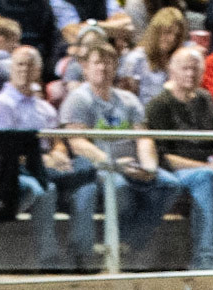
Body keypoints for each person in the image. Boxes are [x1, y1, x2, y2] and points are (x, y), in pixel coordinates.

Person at [60, 41, 182, 267]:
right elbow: (77, 143)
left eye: (108, 63)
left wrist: (149, 167)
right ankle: (118, 249)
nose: (103, 68)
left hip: (132, 165)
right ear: (86, 67)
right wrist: (113, 163)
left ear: (115, 67)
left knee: (170, 184)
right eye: (97, 63)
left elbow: (143, 138)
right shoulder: (78, 98)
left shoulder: (129, 100)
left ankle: (130, 244)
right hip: (99, 166)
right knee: (120, 188)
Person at [0, 45, 91, 269]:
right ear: (11, 69)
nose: (25, 70)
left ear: (38, 71)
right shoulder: (2, 105)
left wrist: (59, 154)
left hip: (49, 165)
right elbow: (8, 152)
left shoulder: (45, 108)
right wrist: (43, 160)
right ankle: (49, 258)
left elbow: (57, 143)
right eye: (20, 65)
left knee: (88, 183)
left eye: (30, 65)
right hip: (20, 167)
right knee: (48, 188)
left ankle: (81, 253)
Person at [144, 45, 213, 269]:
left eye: (195, 69)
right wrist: (207, 167)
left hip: (206, 167)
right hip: (174, 172)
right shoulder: (159, 105)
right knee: (206, 178)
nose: (190, 74)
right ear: (172, 70)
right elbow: (164, 157)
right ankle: (204, 258)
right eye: (185, 69)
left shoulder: (204, 99)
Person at [120, 5, 189, 103]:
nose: (172, 39)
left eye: (177, 35)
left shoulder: (177, 61)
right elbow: (126, 99)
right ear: (156, 31)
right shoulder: (135, 59)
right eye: (167, 32)